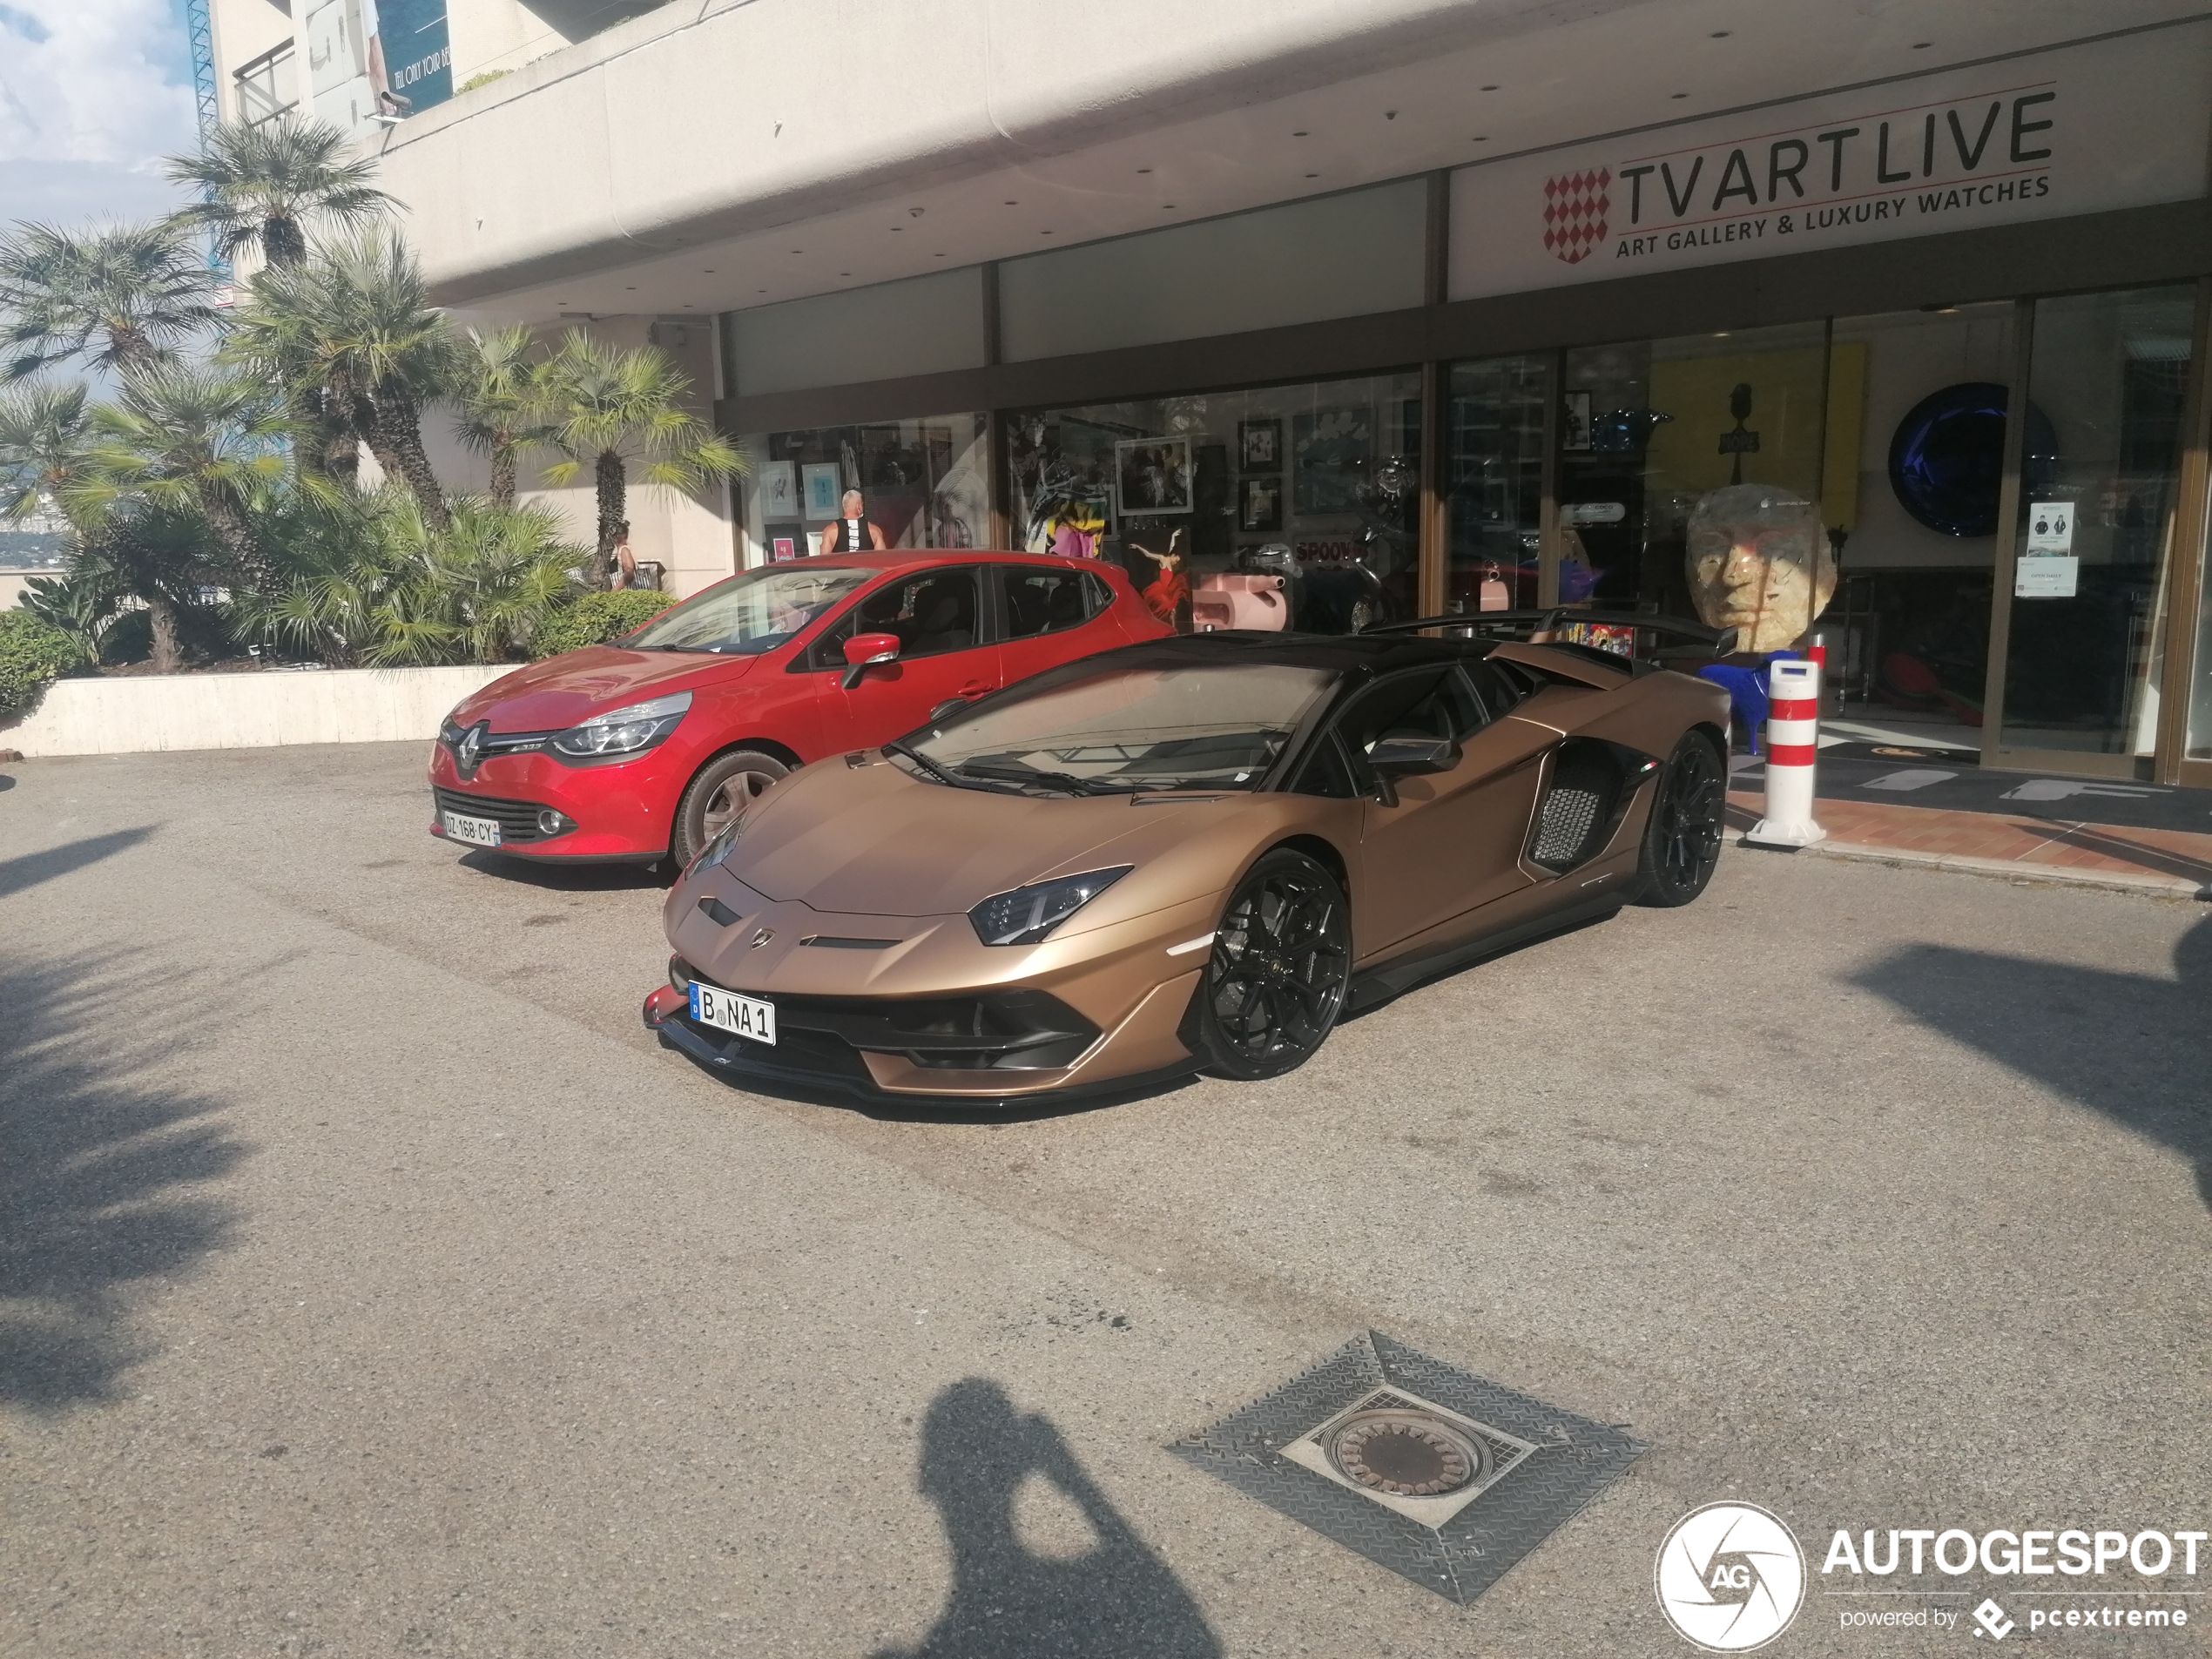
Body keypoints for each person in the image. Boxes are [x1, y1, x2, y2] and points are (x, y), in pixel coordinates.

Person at [826, 489, 888, 553]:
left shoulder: (831, 530)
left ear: (843, 506)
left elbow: (823, 559)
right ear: (858, 506)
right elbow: (882, 559)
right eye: (862, 505)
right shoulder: (874, 530)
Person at [610, 522, 637, 590]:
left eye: (615, 534)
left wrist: (615, 589)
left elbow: (629, 572)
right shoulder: (621, 550)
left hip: (625, 593)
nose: (612, 537)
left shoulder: (624, 550)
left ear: (623, 535)